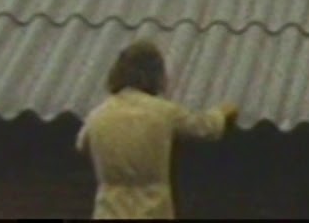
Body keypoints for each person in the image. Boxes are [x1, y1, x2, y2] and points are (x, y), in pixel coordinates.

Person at [76, 40, 239, 219]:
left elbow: (82, 144)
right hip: (151, 212)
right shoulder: (164, 112)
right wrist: (222, 113)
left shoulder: (98, 114)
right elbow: (206, 128)